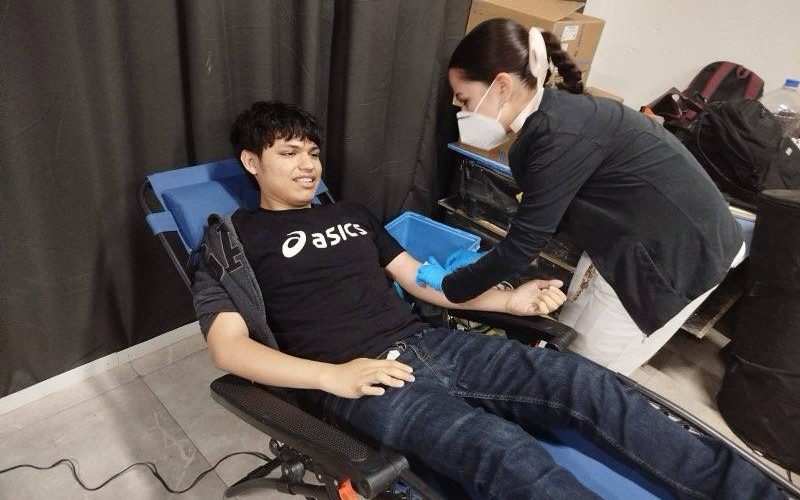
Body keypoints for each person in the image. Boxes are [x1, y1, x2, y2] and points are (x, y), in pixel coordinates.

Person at [192, 100, 783, 499]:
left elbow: (424, 282)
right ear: (251, 162)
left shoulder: (352, 215)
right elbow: (228, 349)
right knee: (503, 452)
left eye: (312, 153)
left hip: (433, 343)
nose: (307, 166)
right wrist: (332, 378)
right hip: (363, 381)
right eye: (288, 153)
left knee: (586, 383)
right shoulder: (231, 241)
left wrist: (508, 302)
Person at [419, 18, 746, 375]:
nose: (463, 113)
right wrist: (483, 268)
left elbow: (523, 245)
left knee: (584, 372)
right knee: (566, 337)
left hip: (679, 251)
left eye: (465, 100)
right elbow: (540, 219)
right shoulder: (551, 118)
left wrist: (450, 287)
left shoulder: (560, 134)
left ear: (501, 85)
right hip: (637, 230)